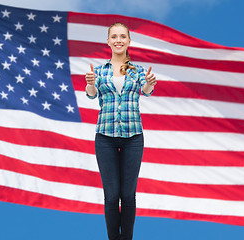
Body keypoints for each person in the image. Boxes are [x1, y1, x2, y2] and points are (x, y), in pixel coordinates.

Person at [85, 22, 157, 240]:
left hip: (133, 137)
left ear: (128, 41)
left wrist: (149, 85)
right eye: (114, 36)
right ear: (108, 41)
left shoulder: (139, 71)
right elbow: (91, 94)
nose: (118, 40)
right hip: (105, 137)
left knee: (128, 195)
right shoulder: (99, 71)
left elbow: (146, 91)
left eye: (122, 37)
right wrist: (90, 84)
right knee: (111, 195)